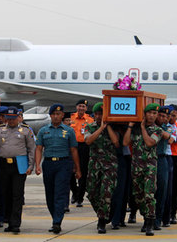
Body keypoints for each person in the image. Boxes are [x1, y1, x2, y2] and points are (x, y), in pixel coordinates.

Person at [0, 106, 35, 233]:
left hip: (19, 165)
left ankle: (15, 223)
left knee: (17, 195)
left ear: (18, 118)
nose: (11, 121)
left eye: (13, 118)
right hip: (4, 164)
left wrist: (31, 166)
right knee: (5, 194)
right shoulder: (0, 130)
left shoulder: (25, 130)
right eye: (9, 118)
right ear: (6, 118)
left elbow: (31, 150)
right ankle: (8, 219)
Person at [35, 103, 81, 234]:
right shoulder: (43, 131)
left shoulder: (69, 131)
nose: (56, 116)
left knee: (60, 193)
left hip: (64, 164)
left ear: (62, 115)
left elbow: (74, 150)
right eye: (53, 114)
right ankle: (54, 217)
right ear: (50, 116)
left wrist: (78, 169)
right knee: (50, 194)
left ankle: (57, 222)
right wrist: (37, 165)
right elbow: (39, 149)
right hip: (49, 164)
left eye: (58, 114)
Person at [123, 103, 164, 236]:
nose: (152, 116)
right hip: (136, 166)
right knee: (138, 195)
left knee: (149, 194)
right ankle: (145, 215)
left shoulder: (157, 130)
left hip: (149, 167)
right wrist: (130, 126)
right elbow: (125, 142)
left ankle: (150, 222)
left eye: (154, 113)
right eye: (150, 113)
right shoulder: (134, 129)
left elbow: (150, 143)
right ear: (145, 114)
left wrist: (142, 128)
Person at [83, 102, 119, 234]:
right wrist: (101, 128)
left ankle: (102, 221)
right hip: (94, 165)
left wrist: (107, 127)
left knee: (106, 192)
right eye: (97, 114)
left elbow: (116, 142)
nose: (98, 116)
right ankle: (104, 212)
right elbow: (88, 141)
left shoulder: (113, 127)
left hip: (110, 165)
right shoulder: (89, 127)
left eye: (101, 114)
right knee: (92, 193)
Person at [69, 99, 93, 207]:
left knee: (83, 172)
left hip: (84, 147)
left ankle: (80, 197)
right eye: (80, 106)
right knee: (71, 172)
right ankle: (75, 192)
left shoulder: (90, 120)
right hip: (72, 146)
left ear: (86, 108)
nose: (81, 108)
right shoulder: (70, 118)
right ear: (76, 107)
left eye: (83, 106)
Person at [154, 106, 174, 230]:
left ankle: (158, 219)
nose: (163, 118)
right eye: (160, 115)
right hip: (148, 159)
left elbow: (170, 138)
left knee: (162, 190)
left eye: (165, 116)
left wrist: (159, 130)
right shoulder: (148, 126)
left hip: (162, 159)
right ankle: (148, 218)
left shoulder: (168, 127)